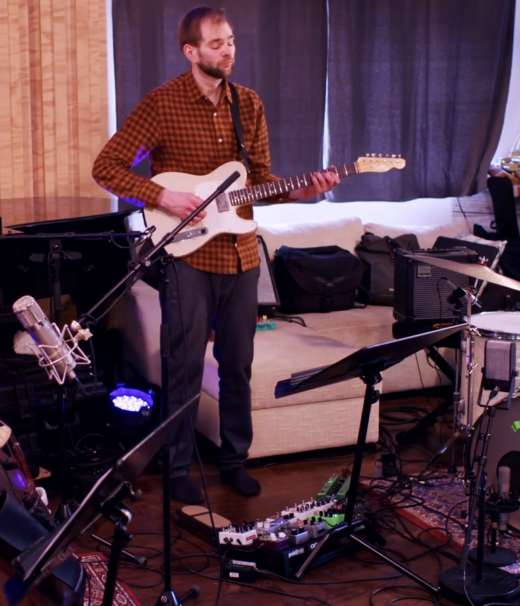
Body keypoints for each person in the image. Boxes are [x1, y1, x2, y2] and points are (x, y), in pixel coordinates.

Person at [93, 7, 339, 504]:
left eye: (231, 41)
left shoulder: (248, 104)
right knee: (182, 365)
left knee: (238, 364)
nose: (228, 50)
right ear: (191, 52)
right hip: (187, 257)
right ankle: (178, 466)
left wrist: (299, 193)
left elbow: (261, 181)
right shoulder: (161, 105)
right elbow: (107, 166)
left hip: (242, 253)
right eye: (216, 43)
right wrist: (161, 196)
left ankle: (234, 460)